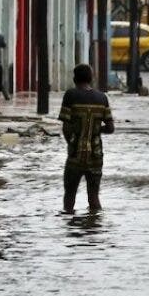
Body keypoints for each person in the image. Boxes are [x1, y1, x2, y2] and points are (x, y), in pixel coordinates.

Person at [58, 64, 115, 214]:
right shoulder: (102, 98)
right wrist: (95, 130)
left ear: (74, 78)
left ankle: (69, 229)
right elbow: (110, 128)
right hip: (95, 155)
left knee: (69, 198)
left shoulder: (70, 95)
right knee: (94, 197)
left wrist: (73, 143)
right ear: (91, 78)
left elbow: (66, 127)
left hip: (75, 155)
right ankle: (94, 228)